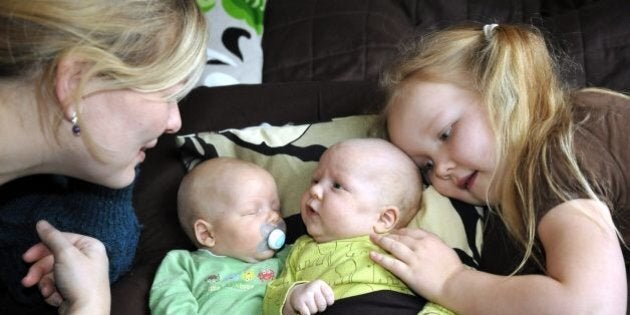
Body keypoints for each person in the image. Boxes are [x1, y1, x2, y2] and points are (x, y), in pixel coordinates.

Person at [372, 22, 629, 314]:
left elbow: (590, 307)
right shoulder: (509, 195)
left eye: (446, 134)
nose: (441, 169)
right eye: (426, 166)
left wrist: (451, 281)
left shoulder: (555, 155)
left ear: (504, 90)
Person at [0, 0, 207, 313]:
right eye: (166, 95)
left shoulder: (39, 190)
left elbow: (80, 254)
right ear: (75, 83)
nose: (174, 123)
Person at [263, 138, 453, 315]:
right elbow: (271, 297)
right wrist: (293, 297)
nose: (314, 190)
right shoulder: (299, 248)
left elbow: (447, 292)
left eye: (337, 186)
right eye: (315, 180)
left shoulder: (402, 246)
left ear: (384, 219)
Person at [149, 157, 290, 314]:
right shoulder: (183, 264)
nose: (274, 217)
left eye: (276, 208)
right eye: (253, 211)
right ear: (207, 234)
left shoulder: (290, 257)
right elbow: (171, 301)